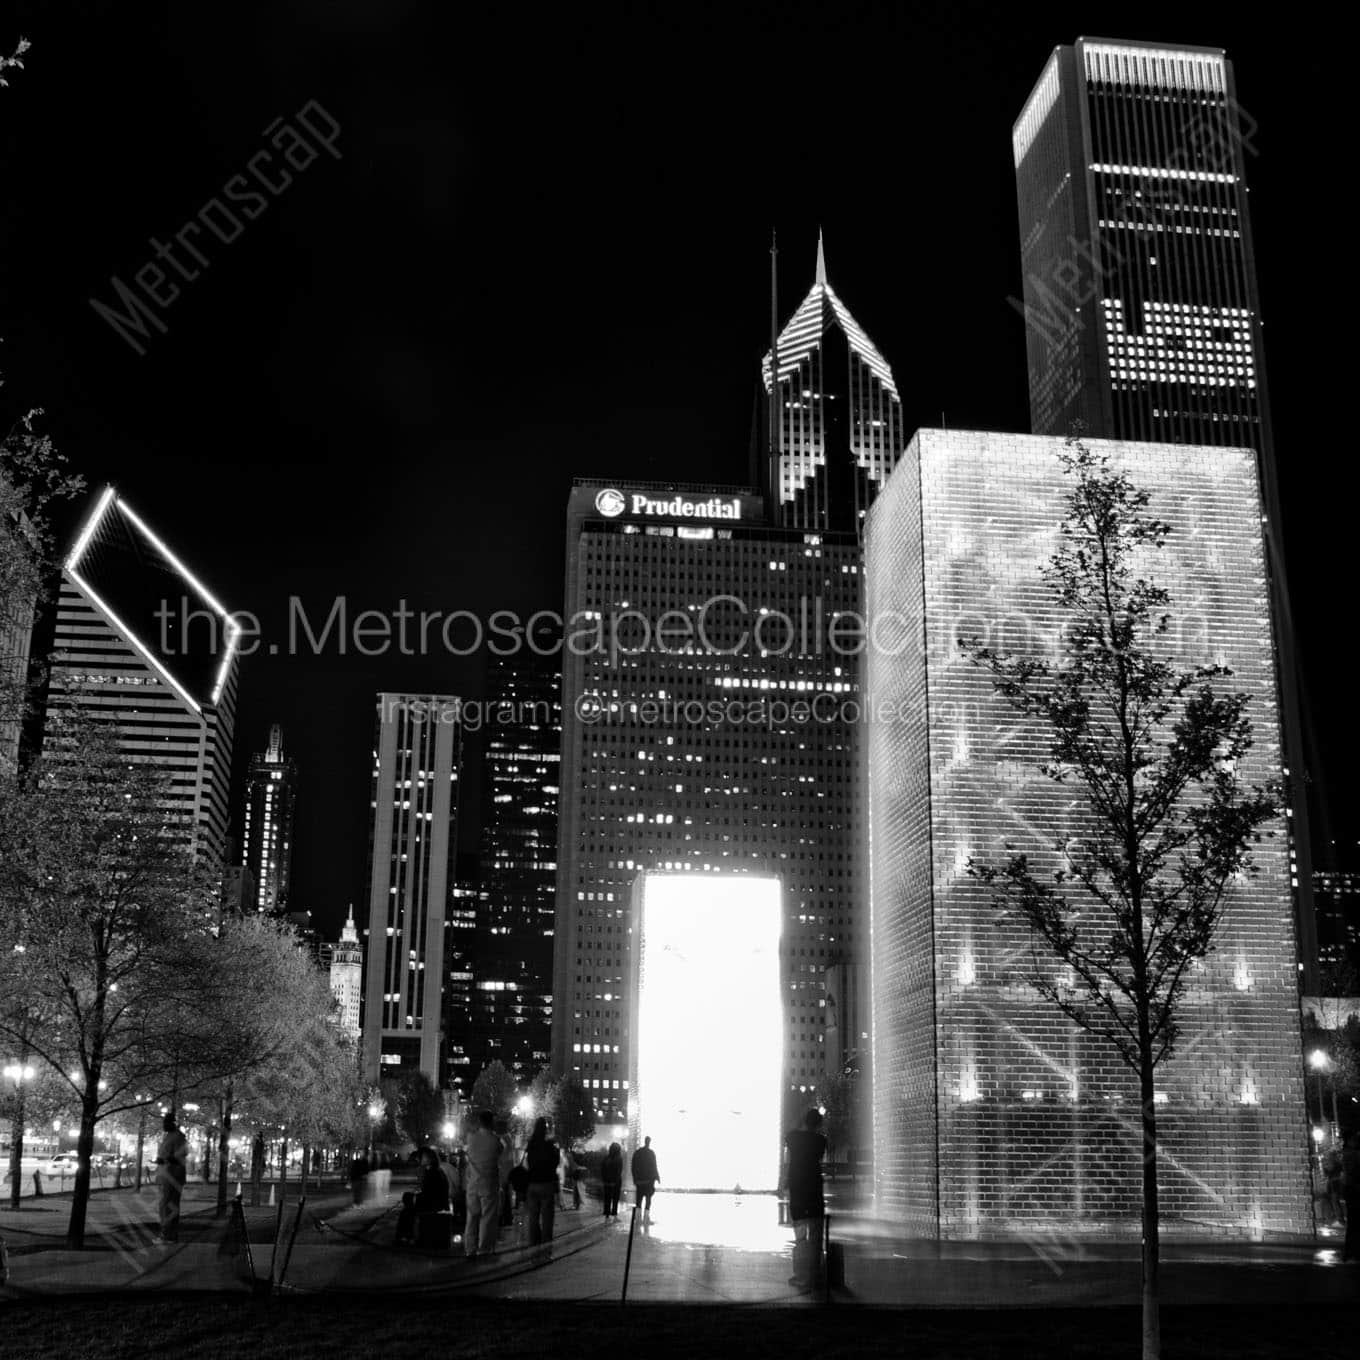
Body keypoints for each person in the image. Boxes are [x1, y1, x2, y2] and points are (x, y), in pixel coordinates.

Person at [783, 1108, 827, 1292]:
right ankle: (815, 1276)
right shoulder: (821, 1140)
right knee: (816, 1236)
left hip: (799, 1192)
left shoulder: (793, 1137)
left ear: (804, 1121)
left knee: (800, 1237)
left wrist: (799, 1121)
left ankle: (801, 1276)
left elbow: (789, 1131)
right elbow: (819, 1157)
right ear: (819, 1124)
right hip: (814, 1191)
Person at [464, 1110, 504, 1258]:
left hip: (473, 1182)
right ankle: (484, 1248)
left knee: (472, 1216)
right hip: (489, 1183)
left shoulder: (471, 1138)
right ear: (491, 1122)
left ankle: (470, 1249)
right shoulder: (495, 1141)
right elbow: (500, 1151)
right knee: (487, 1217)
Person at [394, 1147, 449, 1245]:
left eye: (422, 1157)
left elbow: (430, 1194)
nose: (420, 1159)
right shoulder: (434, 1170)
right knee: (408, 1202)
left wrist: (415, 1198)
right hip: (435, 1201)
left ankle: (404, 1237)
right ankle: (405, 1236)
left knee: (407, 1208)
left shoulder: (432, 1172)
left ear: (429, 1158)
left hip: (434, 1204)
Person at [524, 1117, 561, 1245]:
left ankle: (534, 1241)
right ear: (546, 1129)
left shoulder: (531, 1144)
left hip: (532, 1183)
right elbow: (556, 1162)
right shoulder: (550, 1145)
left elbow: (527, 1163)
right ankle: (546, 1243)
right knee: (547, 1217)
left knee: (533, 1216)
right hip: (546, 1183)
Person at [154, 1112, 189, 1243]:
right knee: (167, 1205)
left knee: (167, 1206)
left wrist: (163, 1160)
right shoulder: (171, 1136)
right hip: (167, 1175)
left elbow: (180, 1156)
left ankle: (168, 1235)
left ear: (171, 1123)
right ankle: (169, 1234)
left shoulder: (178, 1137)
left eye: (165, 1122)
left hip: (171, 1176)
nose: (163, 1125)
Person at [631, 1135, 659, 1221]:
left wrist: (635, 1179)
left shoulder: (638, 1153)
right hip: (649, 1182)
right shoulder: (651, 1153)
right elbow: (654, 1166)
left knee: (639, 1199)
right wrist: (657, 1177)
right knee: (648, 1199)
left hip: (640, 1181)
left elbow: (633, 1166)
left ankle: (638, 1216)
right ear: (649, 1142)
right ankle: (646, 1216)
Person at [1342, 1129, 1360, 1263]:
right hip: (1355, 1190)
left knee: (1353, 1223)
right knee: (1355, 1222)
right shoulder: (1353, 1154)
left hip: (1350, 1190)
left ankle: (1349, 1252)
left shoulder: (1346, 1153)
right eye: (1354, 1139)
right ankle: (1352, 1252)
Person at [601, 1142, 624, 1219]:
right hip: (615, 1182)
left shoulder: (606, 1158)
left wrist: (604, 1179)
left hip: (607, 1182)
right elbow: (619, 1171)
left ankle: (607, 1213)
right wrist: (615, 1181)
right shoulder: (619, 1158)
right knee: (615, 1198)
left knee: (607, 1197)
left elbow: (602, 1170)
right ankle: (614, 1213)